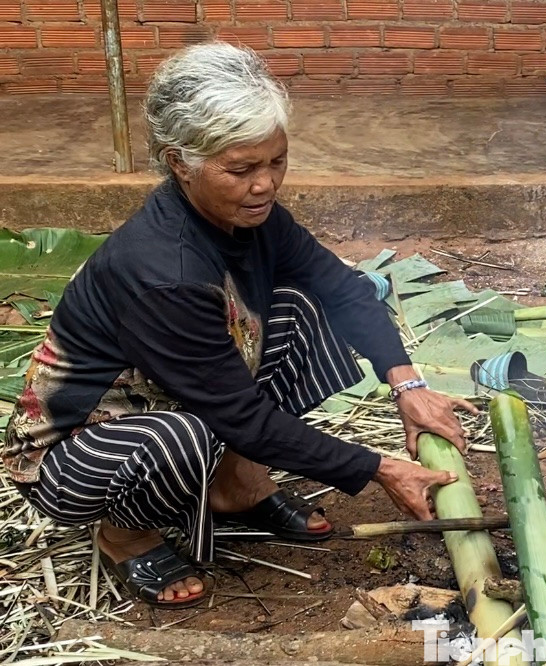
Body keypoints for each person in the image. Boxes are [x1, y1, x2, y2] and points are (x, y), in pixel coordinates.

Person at [0, 42, 476, 609]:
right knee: (183, 437)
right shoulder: (162, 271)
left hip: (178, 396)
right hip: (76, 452)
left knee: (303, 308)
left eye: (276, 161)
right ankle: (124, 535)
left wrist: (409, 386)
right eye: (241, 169)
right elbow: (237, 414)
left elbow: (342, 289)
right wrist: (378, 468)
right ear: (181, 162)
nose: (265, 184)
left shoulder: (253, 218)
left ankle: (235, 484)